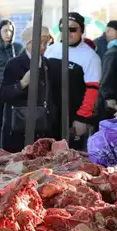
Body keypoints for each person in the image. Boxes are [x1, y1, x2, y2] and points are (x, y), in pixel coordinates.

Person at [45, 12, 101, 148]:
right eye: (63, 28)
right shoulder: (51, 50)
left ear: (81, 30)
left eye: (73, 29)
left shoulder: (90, 56)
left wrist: (82, 118)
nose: (67, 33)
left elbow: (92, 90)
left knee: (69, 157)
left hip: (73, 118)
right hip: (48, 115)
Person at [0, 26, 59, 152]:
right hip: (18, 128)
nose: (43, 47)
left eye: (45, 43)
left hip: (42, 128)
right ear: (28, 43)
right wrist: (22, 84)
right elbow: (3, 94)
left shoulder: (48, 64)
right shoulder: (14, 64)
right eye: (39, 43)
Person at [0, 19, 24, 148]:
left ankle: (14, 146)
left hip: (16, 89)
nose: (8, 33)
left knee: (15, 119)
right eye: (5, 30)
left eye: (10, 31)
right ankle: (1, 147)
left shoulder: (18, 48)